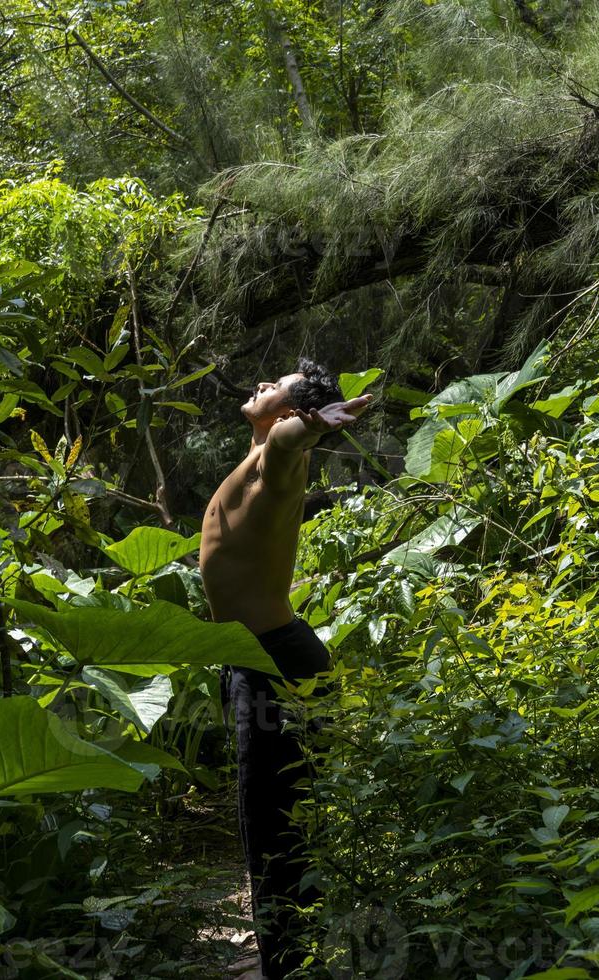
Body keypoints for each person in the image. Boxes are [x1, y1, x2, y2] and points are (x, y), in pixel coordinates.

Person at [199, 358, 372, 980]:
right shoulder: (261, 450)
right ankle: (296, 956)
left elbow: (289, 439)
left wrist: (314, 424)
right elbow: (276, 437)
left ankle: (288, 966)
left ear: (290, 412)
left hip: (274, 662)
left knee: (272, 824)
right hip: (262, 657)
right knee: (275, 816)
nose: (260, 387)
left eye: (275, 388)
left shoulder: (282, 452)